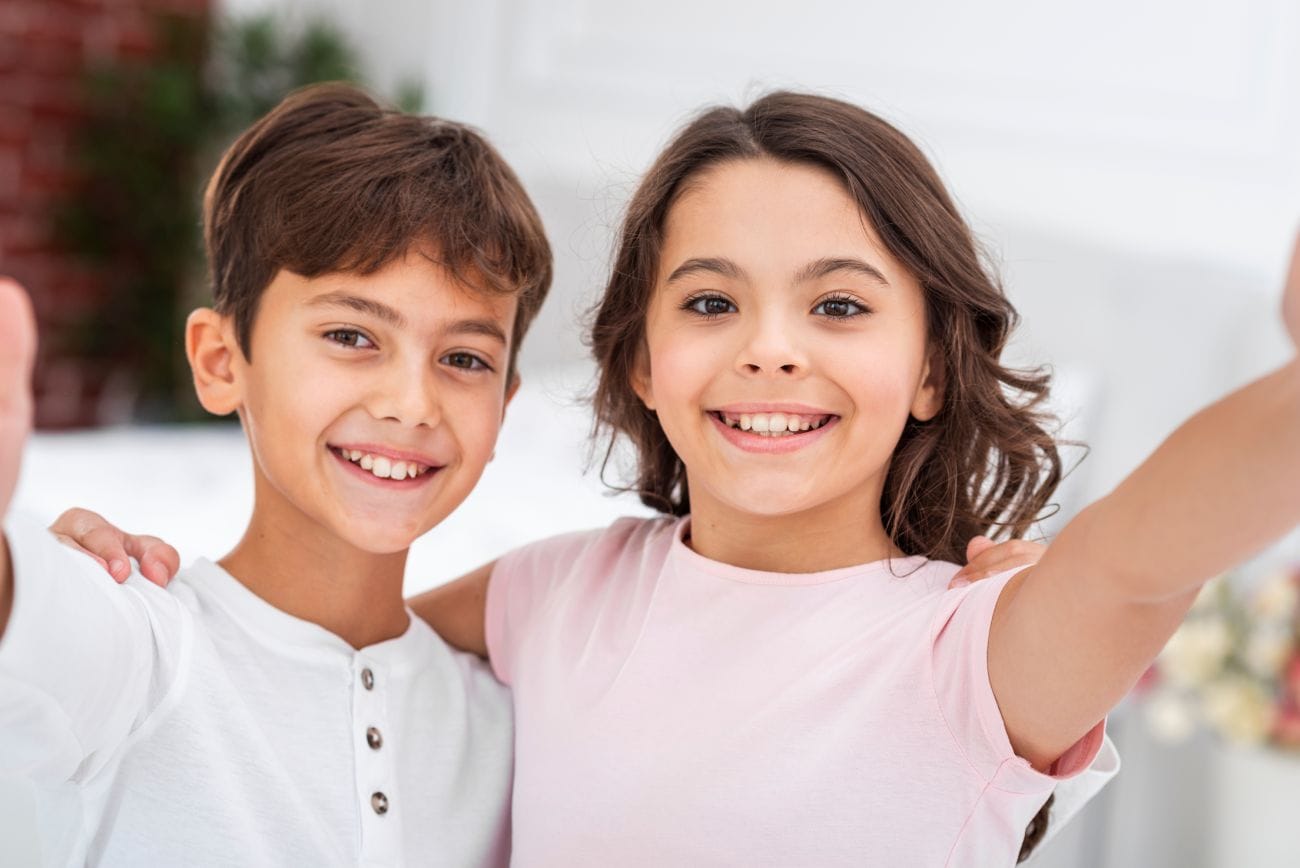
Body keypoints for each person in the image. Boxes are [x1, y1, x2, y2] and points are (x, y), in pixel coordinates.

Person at [0, 82, 553, 866]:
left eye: (464, 359)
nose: (411, 403)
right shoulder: (144, 652)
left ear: (504, 406)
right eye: (352, 335)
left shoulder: (505, 719)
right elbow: (28, 618)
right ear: (222, 363)